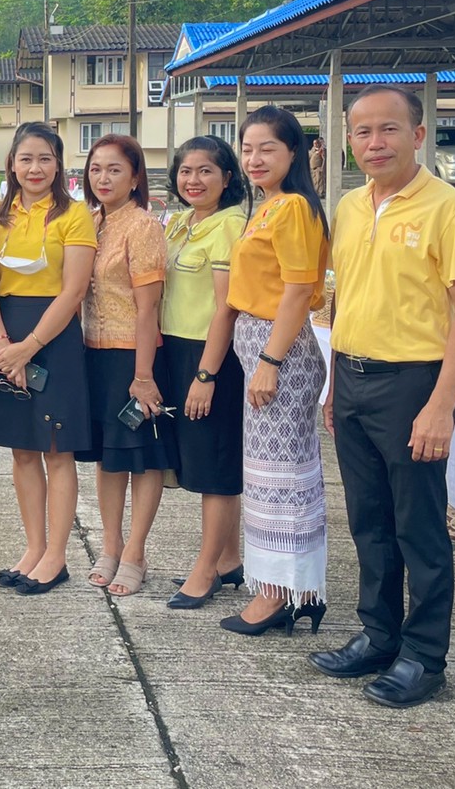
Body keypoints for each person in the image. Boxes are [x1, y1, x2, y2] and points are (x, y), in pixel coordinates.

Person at [315, 84, 455, 709]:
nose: (374, 142)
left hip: (416, 382)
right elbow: (346, 300)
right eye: (361, 132)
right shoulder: (352, 206)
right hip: (355, 379)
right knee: (368, 521)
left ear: (419, 135)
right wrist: (336, 383)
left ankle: (423, 657)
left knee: (419, 527)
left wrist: (442, 403)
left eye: (388, 130)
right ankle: (379, 635)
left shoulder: (451, 209)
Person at [221, 105, 329, 638]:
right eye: (247, 148)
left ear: (294, 153)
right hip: (260, 346)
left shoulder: (293, 210)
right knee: (267, 476)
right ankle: (283, 587)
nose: (254, 158)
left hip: (278, 351)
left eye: (267, 148)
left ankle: (281, 594)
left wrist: (269, 362)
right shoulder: (265, 207)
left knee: (281, 478)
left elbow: (294, 292)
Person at [0, 123, 97, 596]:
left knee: (57, 450)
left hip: (52, 338)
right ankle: (33, 548)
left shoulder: (75, 217)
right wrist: (0, 343)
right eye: (26, 158)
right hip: (4, 334)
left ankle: (57, 556)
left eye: (45, 158)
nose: (35, 168)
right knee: (23, 450)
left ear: (59, 164)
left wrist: (26, 348)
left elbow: (73, 291)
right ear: (11, 163)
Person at [160, 137, 249, 610]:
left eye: (205, 171)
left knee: (215, 469)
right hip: (175, 350)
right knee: (201, 459)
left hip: (210, 355)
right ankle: (228, 559)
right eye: (186, 171)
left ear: (227, 178)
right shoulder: (179, 224)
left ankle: (204, 570)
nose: (193, 180)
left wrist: (206, 375)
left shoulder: (230, 226)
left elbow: (226, 308)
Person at [78, 135, 168, 598]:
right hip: (94, 354)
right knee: (109, 459)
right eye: (96, 169)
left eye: (114, 169)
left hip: (135, 358)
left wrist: (144, 375)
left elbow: (147, 307)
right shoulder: (91, 221)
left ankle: (135, 552)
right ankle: (109, 547)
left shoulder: (143, 225)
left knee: (141, 458)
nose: (104, 178)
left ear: (135, 176)